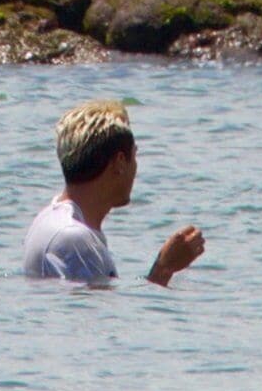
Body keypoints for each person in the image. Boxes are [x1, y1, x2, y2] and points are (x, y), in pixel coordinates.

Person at [21, 99, 205, 287]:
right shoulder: (75, 239)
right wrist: (163, 269)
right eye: (134, 156)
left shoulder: (49, 218)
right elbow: (98, 316)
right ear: (119, 163)